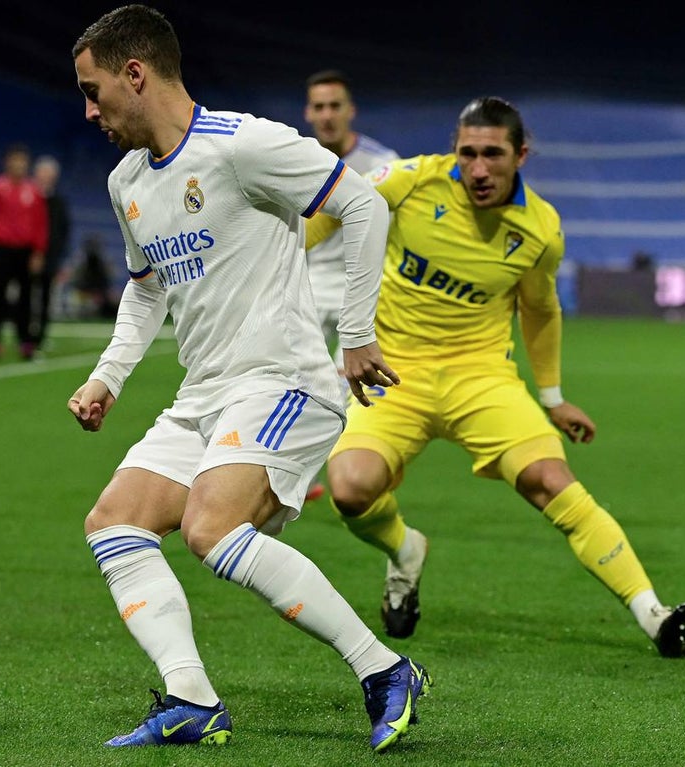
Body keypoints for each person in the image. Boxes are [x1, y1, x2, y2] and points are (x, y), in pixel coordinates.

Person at [66, 4, 429, 752]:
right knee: (115, 521)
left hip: (284, 381)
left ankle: (385, 667)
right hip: (205, 392)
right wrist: (108, 376)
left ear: (135, 75)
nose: (89, 107)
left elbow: (362, 204)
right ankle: (191, 697)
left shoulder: (243, 144)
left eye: (93, 88)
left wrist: (357, 336)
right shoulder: (127, 180)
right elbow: (144, 288)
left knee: (210, 527)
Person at [308, 96, 685, 658]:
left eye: (492, 154)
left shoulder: (541, 228)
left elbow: (540, 310)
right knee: (349, 490)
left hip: (481, 377)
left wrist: (553, 396)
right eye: (466, 153)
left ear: (520, 154)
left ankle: (653, 615)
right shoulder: (410, 181)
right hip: (395, 372)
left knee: (551, 481)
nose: (477, 168)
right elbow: (328, 212)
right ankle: (404, 552)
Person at [301, 69, 400, 503]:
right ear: (308, 112)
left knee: (355, 388)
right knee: (287, 380)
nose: (327, 115)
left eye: (334, 106)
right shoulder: (292, 157)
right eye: (318, 107)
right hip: (301, 281)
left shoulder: (384, 163)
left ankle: (357, 472)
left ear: (350, 111)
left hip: (358, 287)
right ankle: (294, 479)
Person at [0, 143, 48, 360]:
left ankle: (25, 343)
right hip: (2, 248)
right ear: (7, 162)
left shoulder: (33, 191)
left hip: (25, 250)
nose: (19, 165)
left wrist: (39, 252)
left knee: (25, 298)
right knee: (0, 296)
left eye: (22, 161)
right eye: (15, 161)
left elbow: (41, 224)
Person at [31, 154, 71, 352]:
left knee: (45, 298)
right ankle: (25, 337)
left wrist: (61, 258)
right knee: (26, 297)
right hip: (27, 256)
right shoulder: (29, 197)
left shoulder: (59, 202)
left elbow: (64, 230)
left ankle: (40, 336)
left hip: (50, 257)